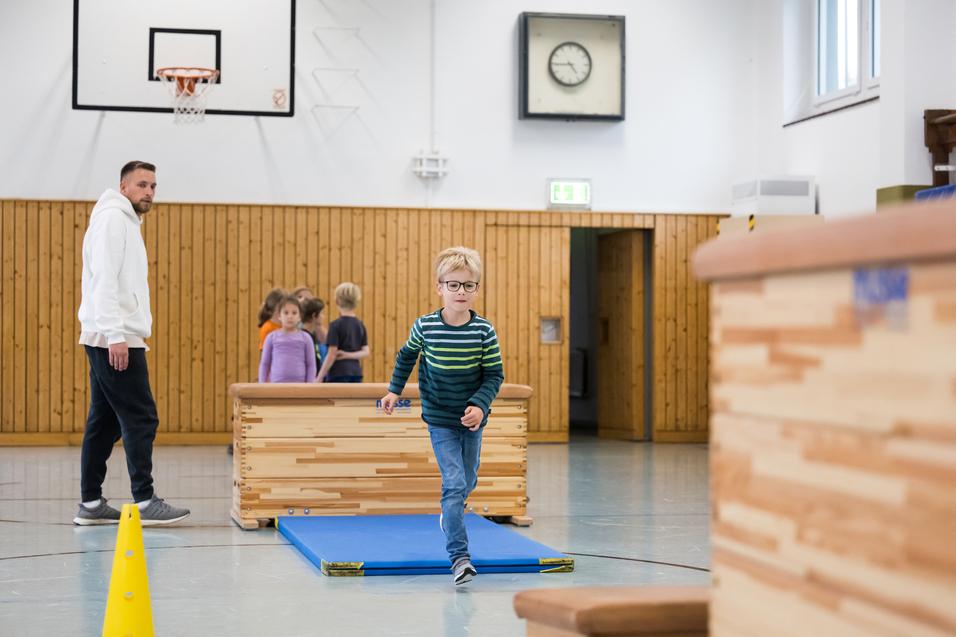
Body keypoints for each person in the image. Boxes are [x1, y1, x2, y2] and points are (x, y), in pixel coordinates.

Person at [74, 160, 190, 526]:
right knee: (141, 416)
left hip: (113, 334)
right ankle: (144, 500)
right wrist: (116, 335)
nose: (149, 192)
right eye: (142, 185)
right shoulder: (113, 220)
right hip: (115, 337)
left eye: (154, 186)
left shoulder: (125, 221)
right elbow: (104, 281)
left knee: (104, 422)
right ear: (124, 187)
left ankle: (91, 504)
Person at [380, 247, 503, 585]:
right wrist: (394, 390)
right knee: (454, 485)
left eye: (468, 286)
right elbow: (407, 356)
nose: (460, 292)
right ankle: (460, 558)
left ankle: (449, 517)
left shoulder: (484, 332)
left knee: (468, 481)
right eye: (453, 285)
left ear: (476, 289)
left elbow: (494, 375)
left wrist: (480, 405)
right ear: (439, 288)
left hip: (472, 420)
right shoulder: (425, 327)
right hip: (439, 418)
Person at [317, 282, 369, 382]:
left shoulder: (335, 325)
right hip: (355, 372)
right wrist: (348, 355)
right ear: (356, 302)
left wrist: (319, 377)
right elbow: (366, 352)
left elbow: (332, 354)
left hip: (338, 373)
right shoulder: (360, 325)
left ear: (337, 301)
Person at [259, 296, 317, 382]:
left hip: (300, 386)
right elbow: (265, 364)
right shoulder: (271, 338)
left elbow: (311, 364)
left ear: (299, 316)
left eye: (294, 313)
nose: (290, 316)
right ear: (279, 316)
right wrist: (262, 384)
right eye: (286, 313)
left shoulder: (306, 338)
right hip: (277, 386)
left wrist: (310, 385)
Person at [300, 297, 328, 373]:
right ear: (314, 316)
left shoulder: (313, 335)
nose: (323, 316)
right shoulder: (304, 337)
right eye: (321, 313)